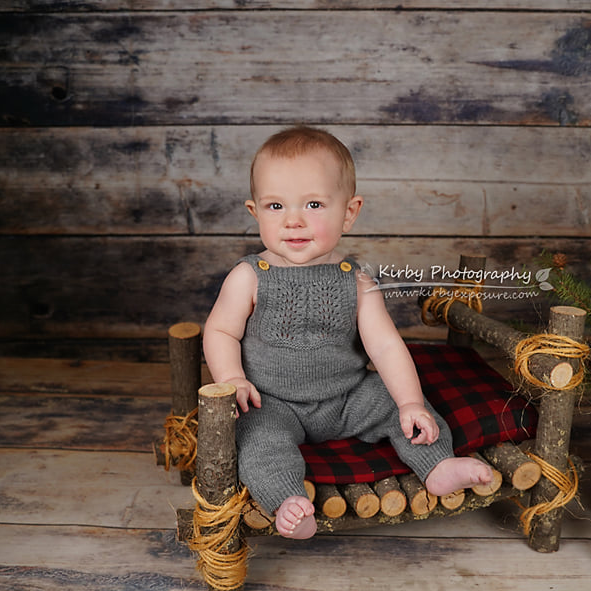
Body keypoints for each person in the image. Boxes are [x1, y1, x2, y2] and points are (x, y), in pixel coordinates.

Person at [203, 126, 493, 539]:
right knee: (257, 439)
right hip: (272, 402)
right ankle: (287, 502)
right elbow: (220, 331)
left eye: (314, 204)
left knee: (403, 406)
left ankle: (437, 466)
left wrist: (410, 402)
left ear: (349, 212)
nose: (293, 220)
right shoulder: (249, 277)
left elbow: (386, 346)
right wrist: (233, 378)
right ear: (255, 212)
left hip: (347, 398)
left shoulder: (355, 280)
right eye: (275, 206)